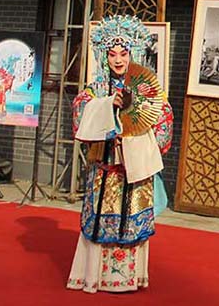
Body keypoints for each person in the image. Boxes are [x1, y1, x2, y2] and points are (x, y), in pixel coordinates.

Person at [67, 15, 173, 294]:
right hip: (104, 168)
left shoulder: (146, 89)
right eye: (112, 54)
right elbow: (79, 114)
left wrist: (136, 131)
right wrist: (106, 106)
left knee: (131, 218)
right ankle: (94, 276)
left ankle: (129, 277)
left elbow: (163, 121)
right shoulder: (96, 88)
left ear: (133, 54)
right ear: (104, 56)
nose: (117, 60)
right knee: (100, 217)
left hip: (133, 167)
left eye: (123, 54)